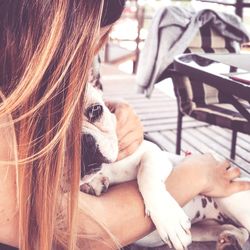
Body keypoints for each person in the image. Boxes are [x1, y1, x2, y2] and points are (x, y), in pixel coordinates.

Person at [0, 1, 250, 250]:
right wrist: (197, 175)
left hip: (197, 201)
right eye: (87, 46)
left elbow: (86, 101)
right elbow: (83, 232)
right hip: (177, 198)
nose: (97, 50)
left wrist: (115, 109)